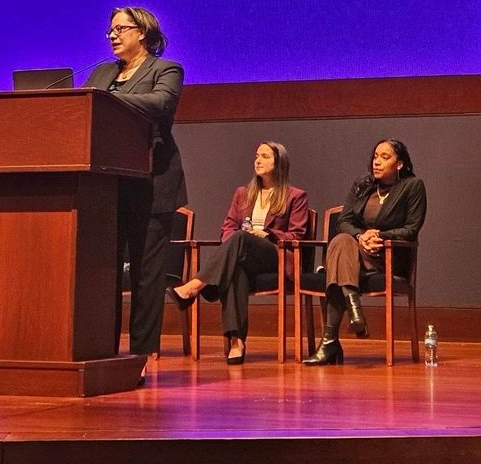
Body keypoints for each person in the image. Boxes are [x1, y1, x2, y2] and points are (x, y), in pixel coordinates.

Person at [84, 7, 185, 381]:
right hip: (105, 186)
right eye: (109, 30)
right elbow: (82, 110)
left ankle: (141, 356)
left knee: (146, 274)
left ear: (142, 32)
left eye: (120, 28)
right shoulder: (101, 73)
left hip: (151, 181)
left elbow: (161, 104)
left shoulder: (167, 69)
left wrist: (108, 100)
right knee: (102, 272)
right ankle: (101, 351)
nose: (112, 35)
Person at [168, 142, 308, 364]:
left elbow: (297, 235)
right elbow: (228, 228)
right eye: (256, 156)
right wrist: (234, 242)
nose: (257, 160)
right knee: (235, 269)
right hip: (244, 255)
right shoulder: (243, 193)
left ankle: (196, 285)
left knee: (242, 238)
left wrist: (267, 234)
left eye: (264, 156)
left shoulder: (295, 196)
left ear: (279, 163)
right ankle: (237, 341)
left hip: (274, 256)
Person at [303, 138, 426, 366]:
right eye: (375, 156)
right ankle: (353, 310)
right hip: (355, 254)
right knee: (341, 240)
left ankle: (331, 341)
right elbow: (344, 221)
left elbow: (411, 228)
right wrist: (361, 237)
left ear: (399, 164)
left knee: (338, 260)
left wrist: (379, 236)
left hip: (387, 256)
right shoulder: (363, 184)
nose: (376, 162)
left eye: (384, 157)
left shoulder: (413, 186)